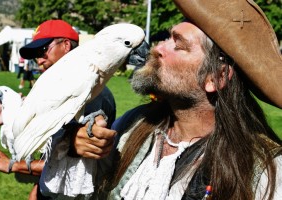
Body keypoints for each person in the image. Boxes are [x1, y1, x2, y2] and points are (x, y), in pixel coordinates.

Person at [71, 1, 282, 199]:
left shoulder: (264, 169)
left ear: (216, 77)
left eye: (178, 44)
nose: (157, 48)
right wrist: (76, 152)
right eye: (167, 38)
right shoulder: (132, 126)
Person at [0, 19, 117, 199]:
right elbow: (54, 150)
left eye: (43, 50)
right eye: (35, 54)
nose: (39, 60)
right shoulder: (55, 89)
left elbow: (76, 164)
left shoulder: (93, 95)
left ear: (66, 45)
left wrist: (11, 164)